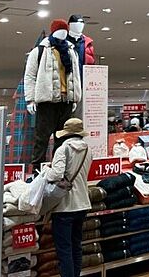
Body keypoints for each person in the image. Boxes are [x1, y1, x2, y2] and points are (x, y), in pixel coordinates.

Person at [47, 118, 92, 277]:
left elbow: (56, 175)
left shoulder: (63, 149)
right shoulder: (88, 150)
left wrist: (47, 171)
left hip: (65, 206)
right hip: (83, 204)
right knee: (76, 246)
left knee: (64, 249)